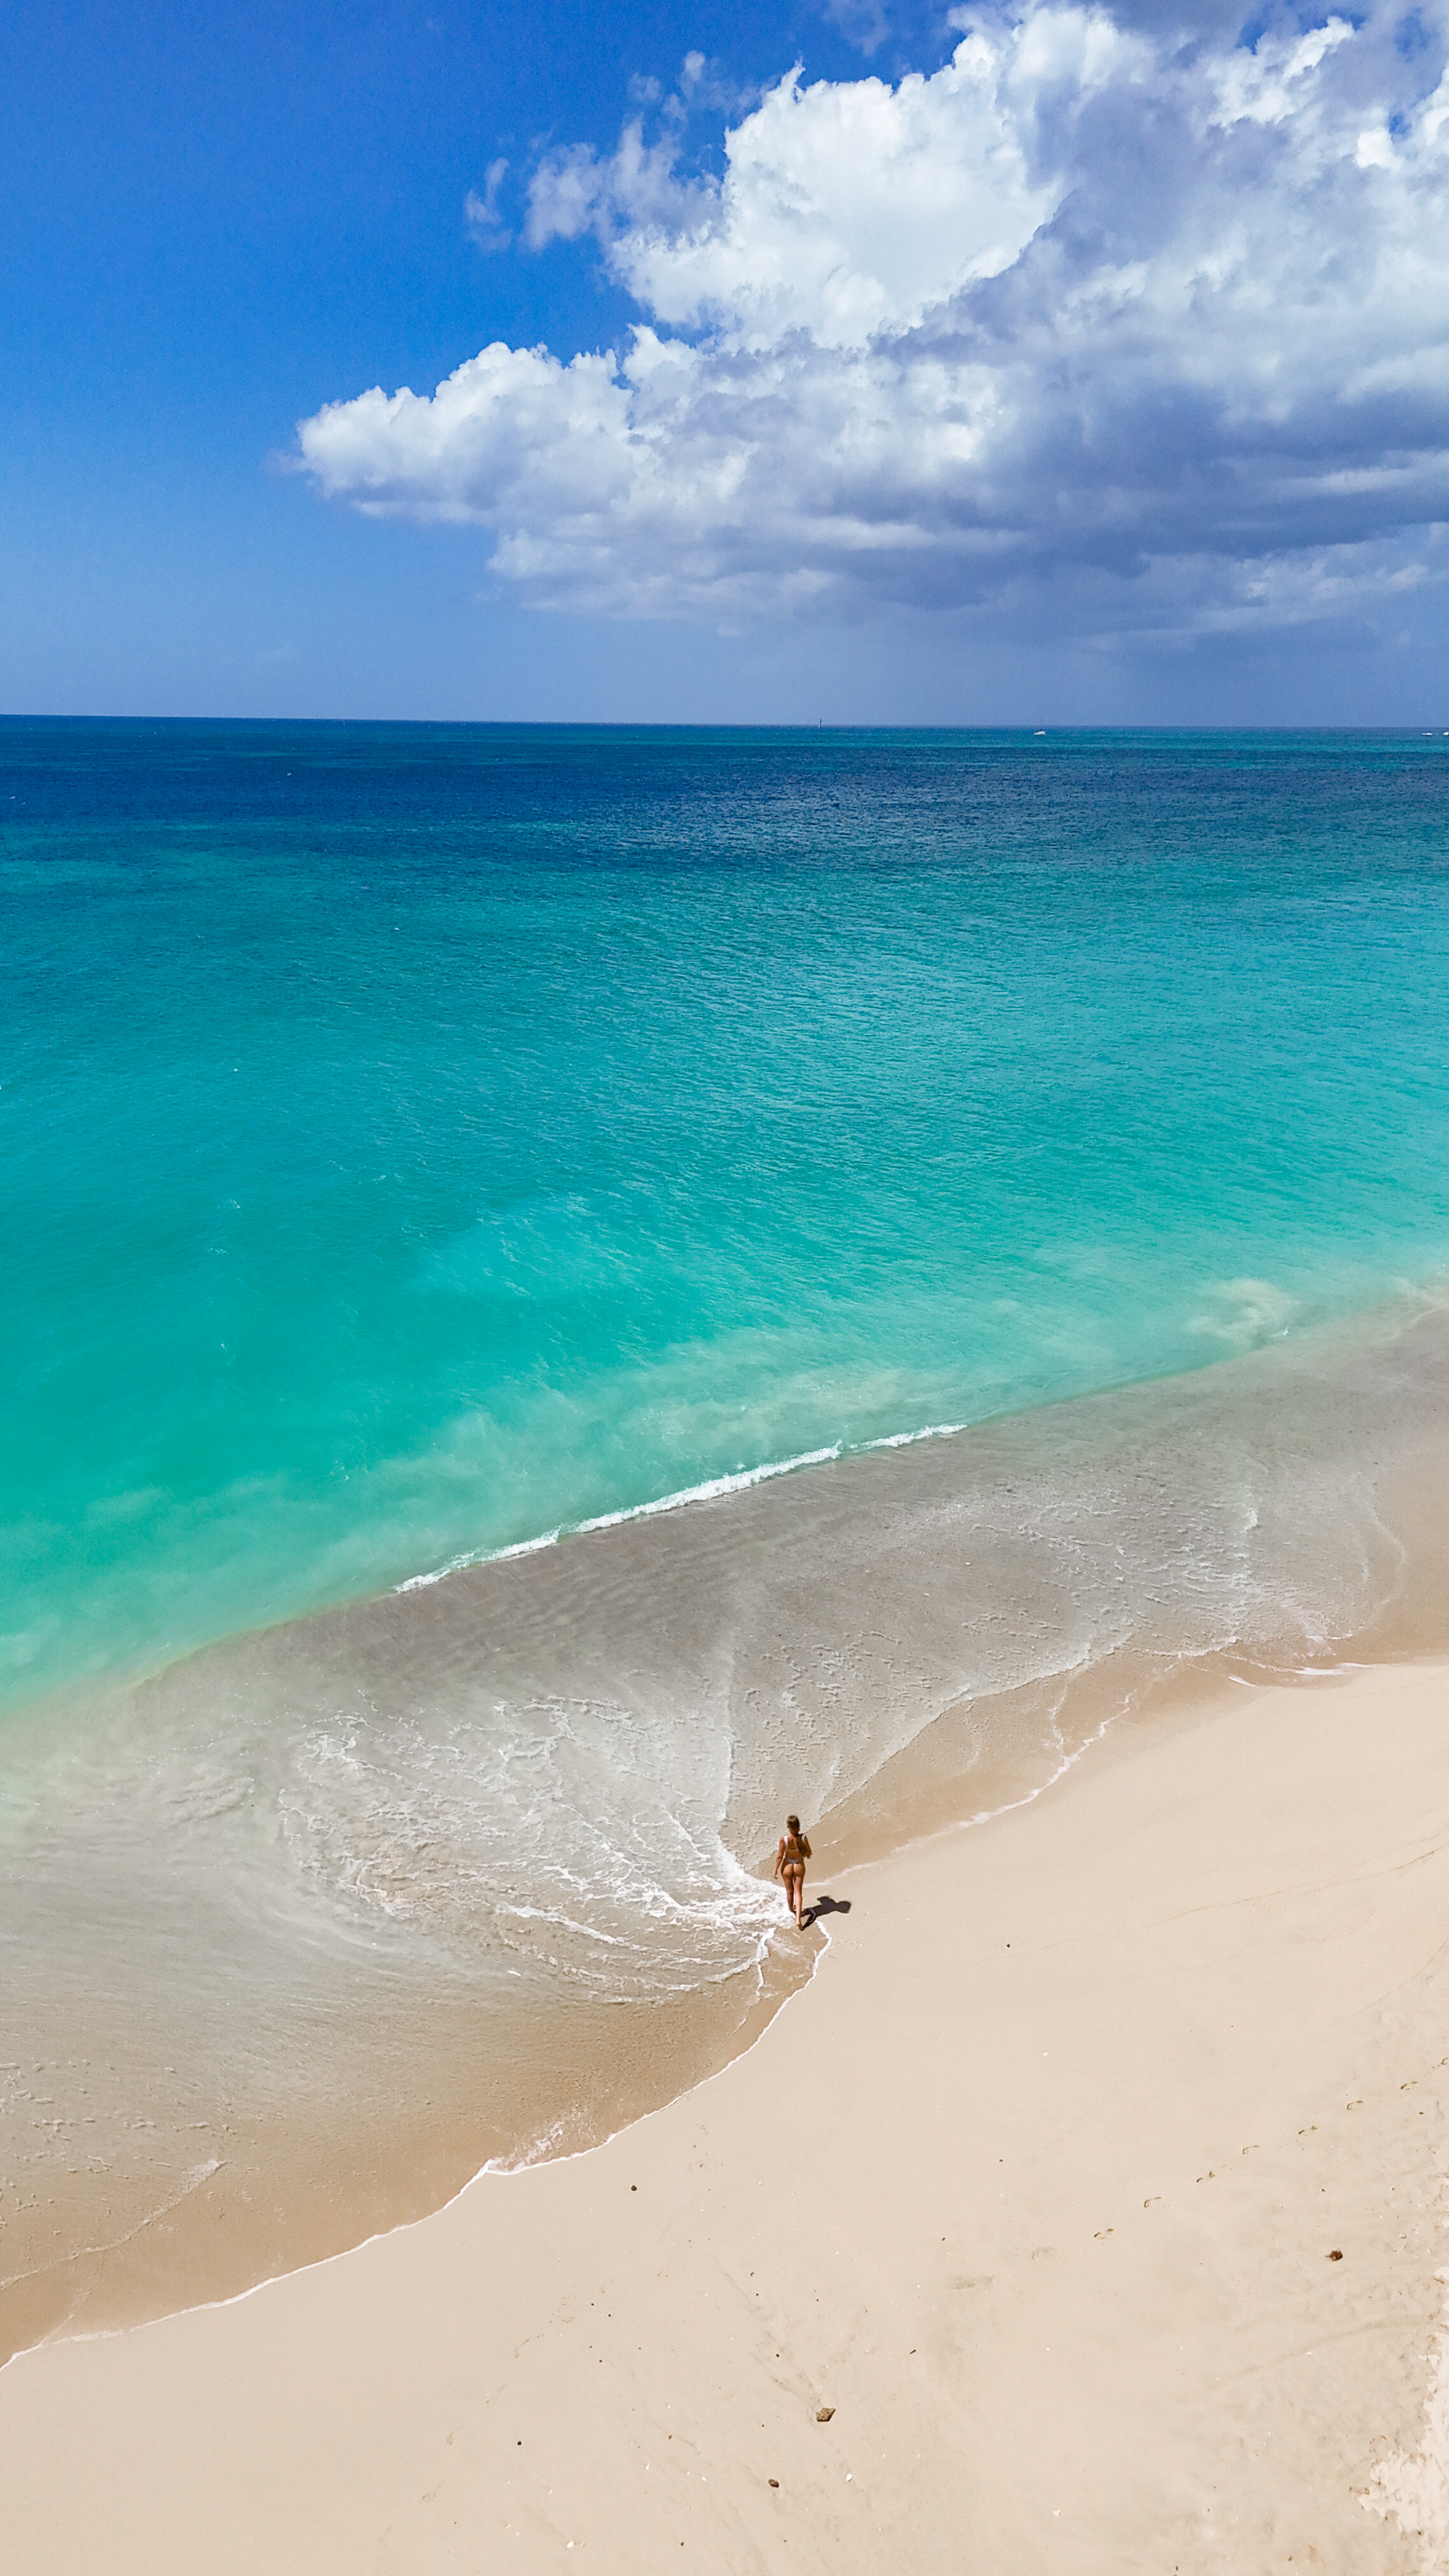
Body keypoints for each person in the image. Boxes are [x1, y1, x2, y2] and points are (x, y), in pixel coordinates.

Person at [774, 1814, 812, 1928]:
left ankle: (791, 1910)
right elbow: (808, 1852)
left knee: (789, 1892)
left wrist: (775, 1870)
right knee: (798, 1892)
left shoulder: (784, 1840)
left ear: (788, 1826)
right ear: (798, 1826)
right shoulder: (803, 1838)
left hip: (787, 1866)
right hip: (799, 1864)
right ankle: (798, 1920)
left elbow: (780, 1857)